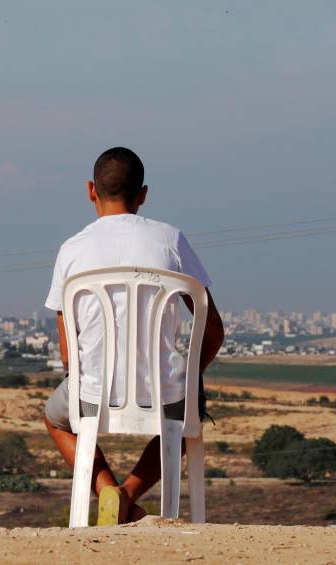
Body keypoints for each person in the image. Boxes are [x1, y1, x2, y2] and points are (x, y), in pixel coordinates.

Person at [42, 147, 225, 524]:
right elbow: (214, 328)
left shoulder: (71, 250)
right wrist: (191, 379)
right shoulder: (171, 240)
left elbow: (65, 352)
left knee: (54, 418)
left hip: (92, 394)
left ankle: (109, 491)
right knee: (186, 415)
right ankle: (128, 496)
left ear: (91, 190)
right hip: (167, 394)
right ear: (143, 194)